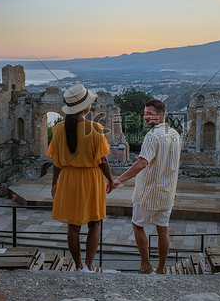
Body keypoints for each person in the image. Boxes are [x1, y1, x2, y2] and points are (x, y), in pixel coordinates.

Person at [47, 83, 114, 272]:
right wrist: (110, 179)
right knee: (95, 223)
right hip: (91, 179)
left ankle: (77, 265)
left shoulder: (59, 129)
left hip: (69, 180)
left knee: (73, 227)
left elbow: (57, 162)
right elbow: (102, 160)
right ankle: (89, 266)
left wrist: (54, 182)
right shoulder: (94, 129)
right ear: (86, 107)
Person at [114, 99, 181, 274]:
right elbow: (175, 165)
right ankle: (161, 269)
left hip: (148, 193)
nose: (145, 117)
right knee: (162, 229)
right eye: (145, 113)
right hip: (166, 193)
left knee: (137, 225)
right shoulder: (174, 133)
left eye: (149, 113)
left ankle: (145, 266)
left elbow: (142, 163)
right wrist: (174, 188)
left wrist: (119, 180)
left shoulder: (152, 136)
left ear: (160, 115)